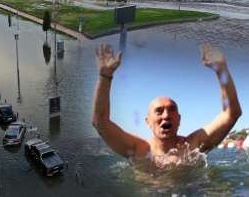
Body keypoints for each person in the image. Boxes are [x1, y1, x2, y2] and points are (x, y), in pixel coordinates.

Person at [92, 43, 242, 167]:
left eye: (172, 110)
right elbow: (100, 122)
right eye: (159, 111)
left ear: (179, 119)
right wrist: (105, 76)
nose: (166, 115)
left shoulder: (193, 145)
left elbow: (231, 113)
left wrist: (221, 70)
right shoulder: (138, 149)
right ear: (148, 122)